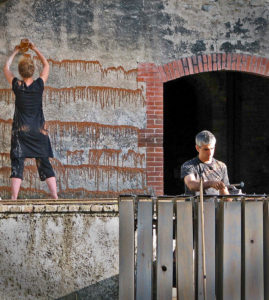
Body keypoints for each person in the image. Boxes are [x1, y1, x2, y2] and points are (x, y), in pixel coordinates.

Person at [3, 41, 58, 200]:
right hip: (39, 131)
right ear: (33, 71)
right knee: (44, 163)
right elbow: (46, 65)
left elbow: (6, 68)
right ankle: (54, 196)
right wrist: (35, 49)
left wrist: (15, 52)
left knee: (18, 162)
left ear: (20, 72)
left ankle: (14, 198)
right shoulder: (39, 85)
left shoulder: (17, 85)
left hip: (21, 132)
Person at [181, 130, 230, 196]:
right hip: (196, 205)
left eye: (212, 148)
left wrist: (223, 190)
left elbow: (227, 197)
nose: (210, 153)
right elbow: (191, 184)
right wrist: (210, 183)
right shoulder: (188, 166)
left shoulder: (221, 166)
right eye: (206, 149)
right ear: (197, 148)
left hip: (216, 206)